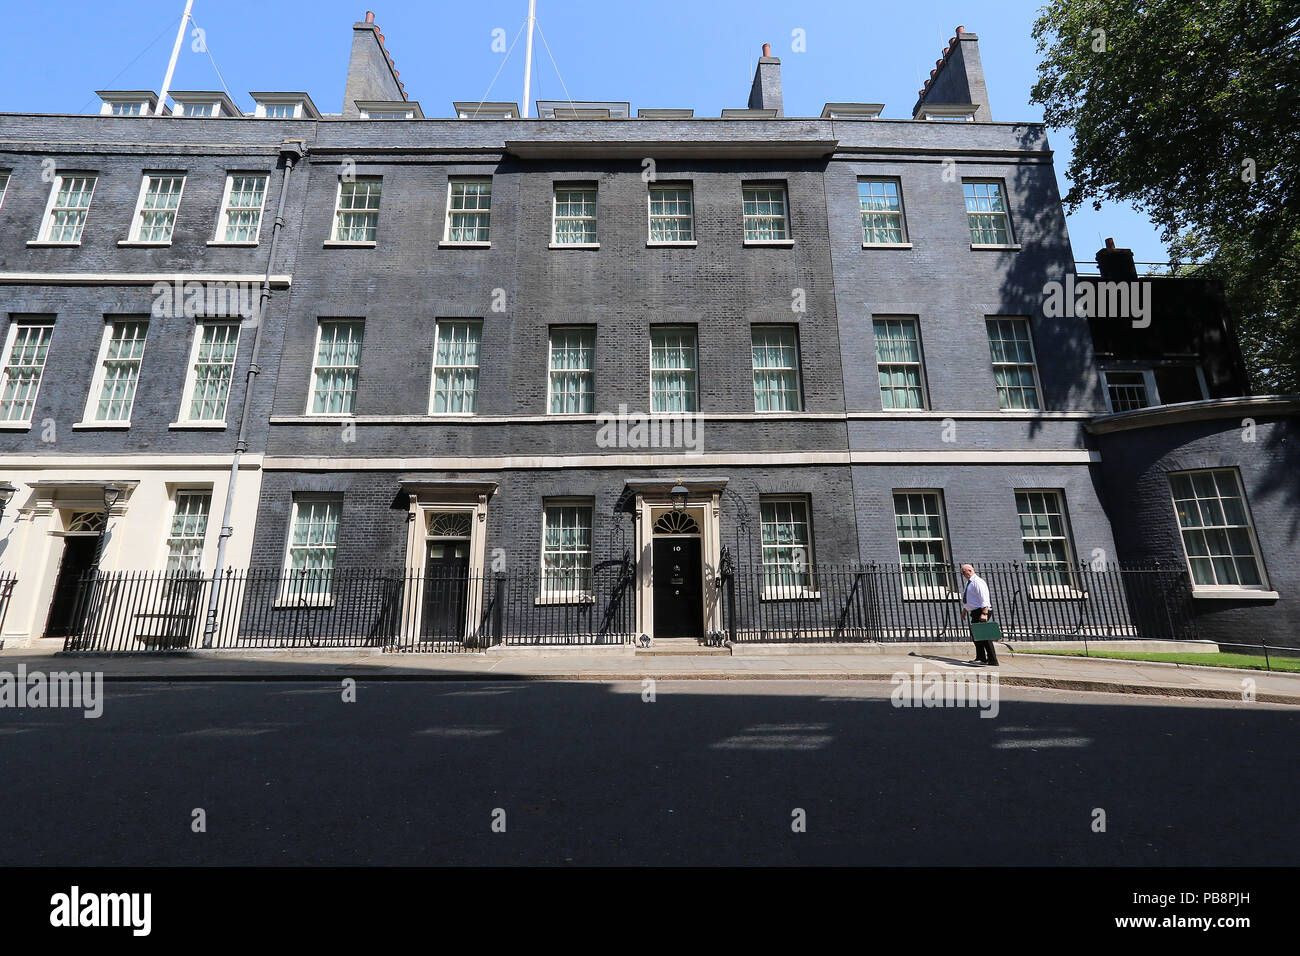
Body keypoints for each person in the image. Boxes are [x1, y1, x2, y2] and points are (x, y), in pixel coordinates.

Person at [960, 563, 998, 666]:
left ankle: (989, 659)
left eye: (964, 572)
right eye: (962, 572)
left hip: (981, 611)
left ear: (970, 571)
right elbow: (971, 599)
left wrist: (984, 612)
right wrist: (965, 610)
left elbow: (984, 597)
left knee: (983, 636)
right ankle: (984, 658)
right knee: (978, 636)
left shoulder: (978, 582)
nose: (963, 574)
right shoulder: (970, 583)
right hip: (976, 611)